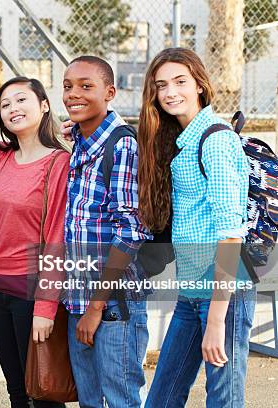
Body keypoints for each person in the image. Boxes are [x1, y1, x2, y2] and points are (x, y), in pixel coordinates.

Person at [138, 48, 254, 407]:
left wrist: (217, 319)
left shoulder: (215, 141)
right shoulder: (181, 140)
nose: (170, 92)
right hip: (192, 290)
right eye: (161, 85)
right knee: (163, 395)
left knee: (223, 398)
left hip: (223, 293)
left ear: (200, 85)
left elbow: (231, 233)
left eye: (179, 82)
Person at [62, 56, 151, 407]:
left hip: (112, 306)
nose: (73, 94)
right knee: (89, 401)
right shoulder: (82, 143)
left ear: (110, 92)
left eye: (86, 86)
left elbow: (130, 230)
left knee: (120, 400)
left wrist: (95, 308)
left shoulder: (123, 146)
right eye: (68, 86)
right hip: (79, 300)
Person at [0, 76, 70, 408]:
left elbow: (58, 238)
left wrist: (46, 307)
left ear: (44, 105)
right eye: (5, 105)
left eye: (21, 100)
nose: (13, 108)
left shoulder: (58, 162)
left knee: (42, 392)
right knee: (16, 390)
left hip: (33, 292)